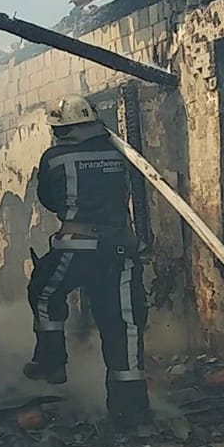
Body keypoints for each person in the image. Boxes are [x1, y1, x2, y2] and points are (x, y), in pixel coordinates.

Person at [24, 94, 150, 424]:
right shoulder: (120, 153)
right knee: (123, 323)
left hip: (76, 246)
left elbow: (49, 200)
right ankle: (130, 408)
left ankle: (52, 361)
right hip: (120, 249)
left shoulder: (54, 158)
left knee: (44, 293)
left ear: (61, 129)